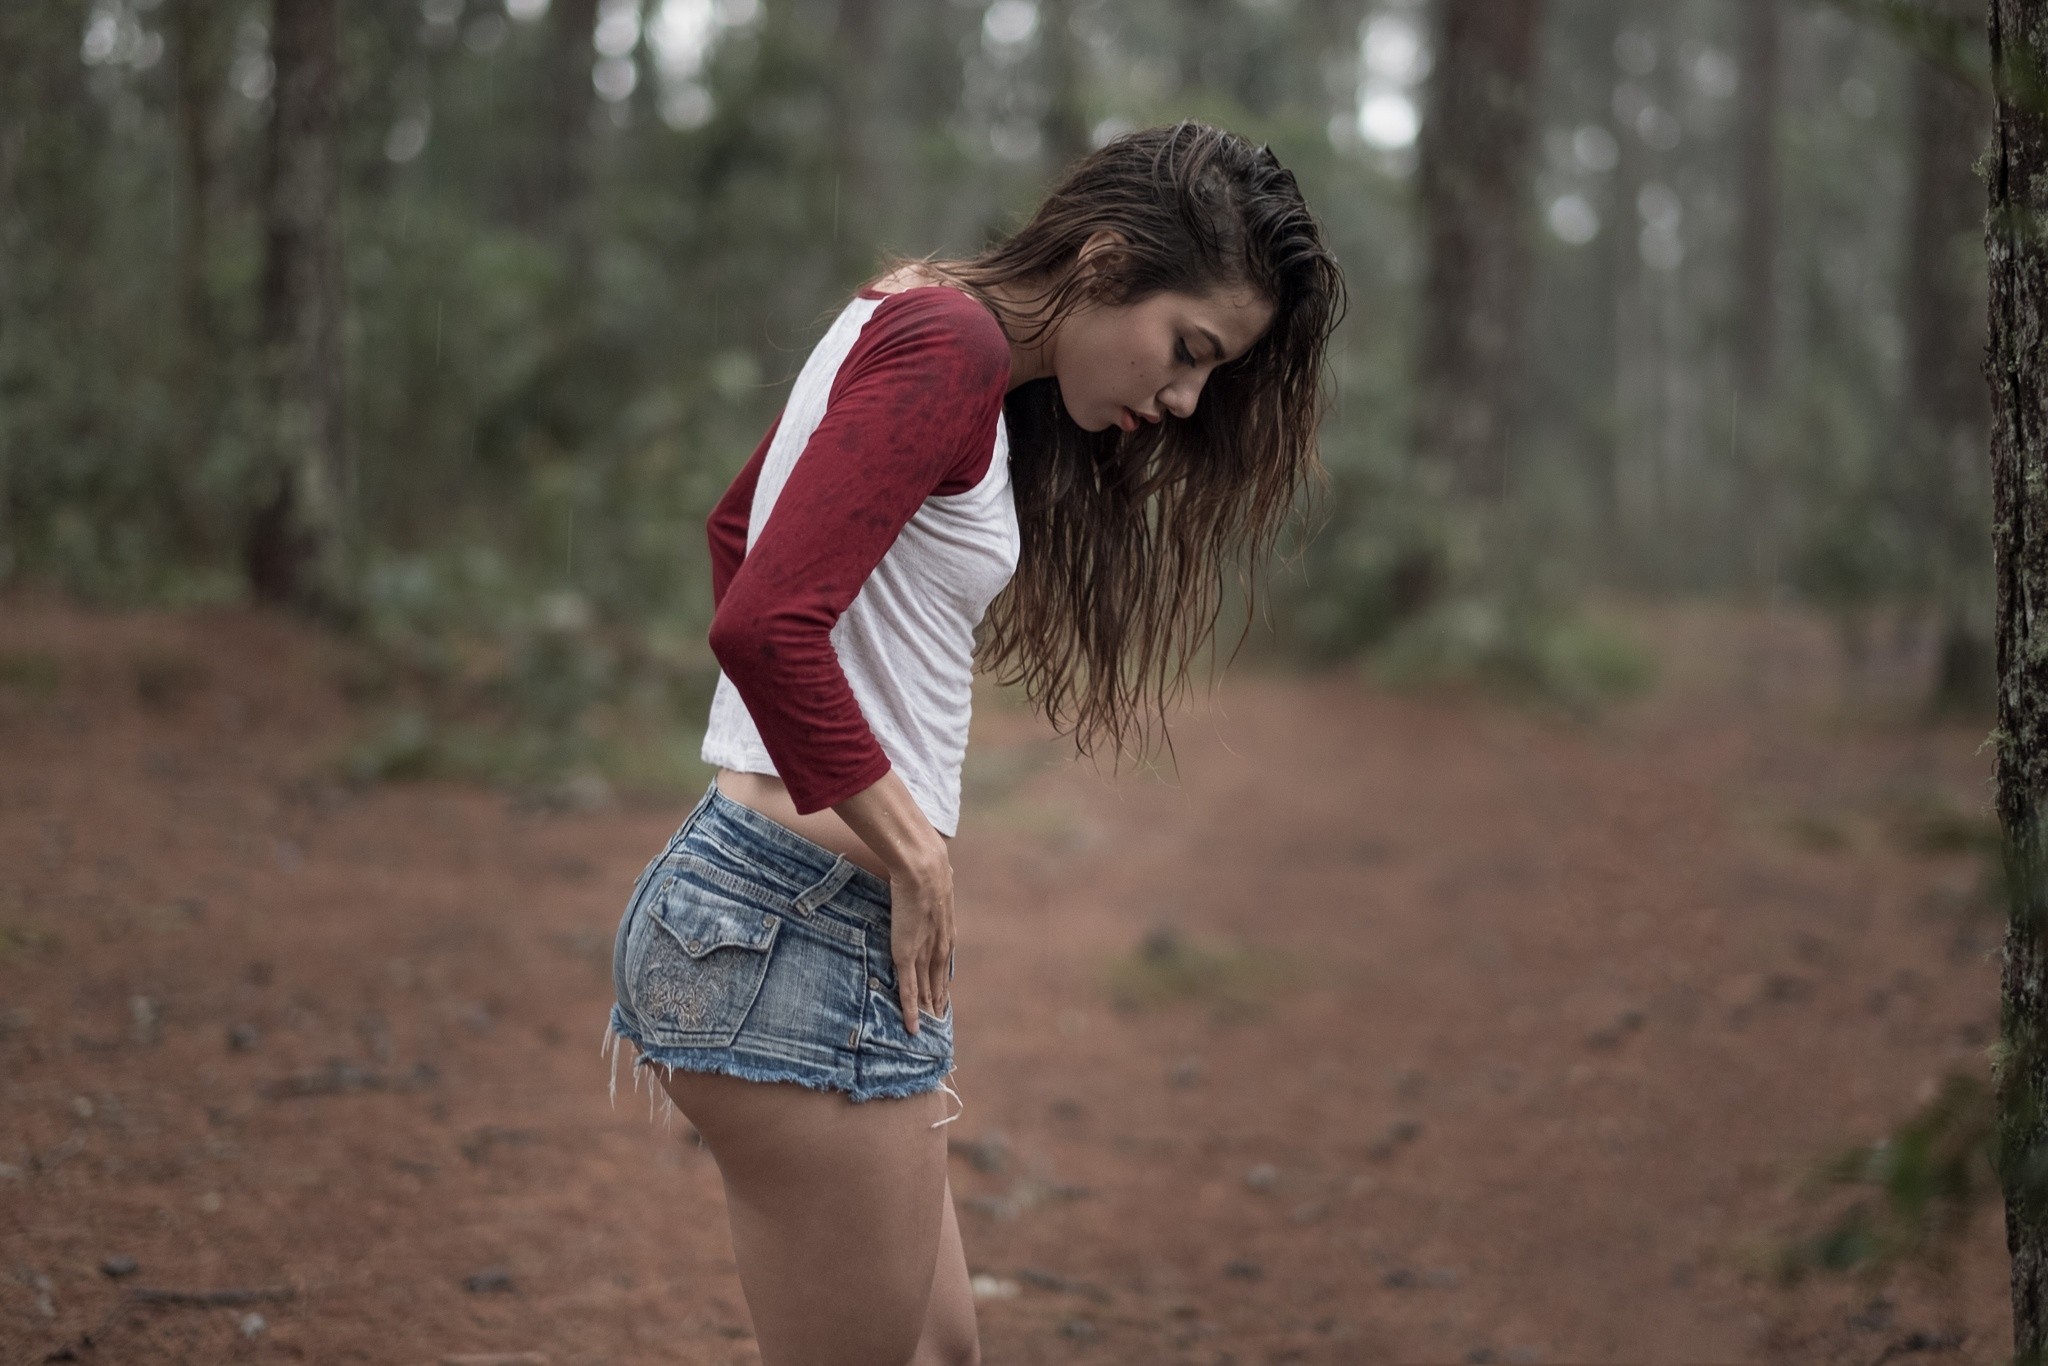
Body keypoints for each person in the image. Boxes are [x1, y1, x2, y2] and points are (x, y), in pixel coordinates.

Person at [602, 120, 1345, 1366]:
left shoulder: (924, 327)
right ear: (1107, 260)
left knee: (942, 1351)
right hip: (793, 930)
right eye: (1188, 351)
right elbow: (763, 616)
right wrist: (911, 850)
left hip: (771, 908)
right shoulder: (945, 342)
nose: (1181, 400)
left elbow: (740, 528)